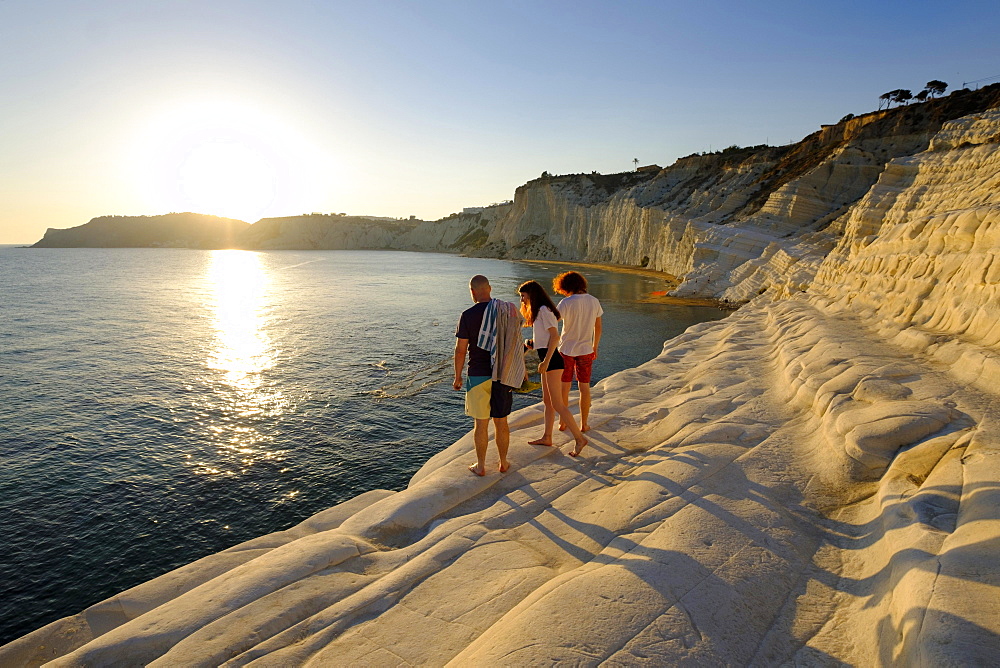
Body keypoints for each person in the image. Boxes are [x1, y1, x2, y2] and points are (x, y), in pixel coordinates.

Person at [453, 274, 522, 476]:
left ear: (472, 291)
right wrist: (521, 370)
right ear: (489, 288)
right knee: (501, 422)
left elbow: (460, 350)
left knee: (481, 423)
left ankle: (481, 466)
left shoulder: (467, 315)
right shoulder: (506, 311)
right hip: (502, 374)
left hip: (477, 375)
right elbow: (516, 343)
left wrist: (457, 376)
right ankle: (503, 463)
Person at [518, 280, 588, 456]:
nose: (522, 300)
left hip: (553, 361)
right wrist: (531, 345)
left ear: (531, 295)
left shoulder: (543, 310)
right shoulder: (539, 312)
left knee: (558, 404)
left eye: (523, 296)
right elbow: (544, 340)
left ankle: (579, 439)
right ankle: (547, 436)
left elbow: (555, 337)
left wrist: (545, 362)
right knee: (548, 402)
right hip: (547, 359)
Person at [553, 271, 603, 444]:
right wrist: (594, 346)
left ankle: (563, 422)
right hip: (586, 349)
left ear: (566, 286)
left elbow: (554, 322)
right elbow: (598, 328)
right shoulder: (594, 301)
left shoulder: (566, 302)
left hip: (566, 349)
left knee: (564, 387)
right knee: (584, 387)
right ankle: (584, 424)